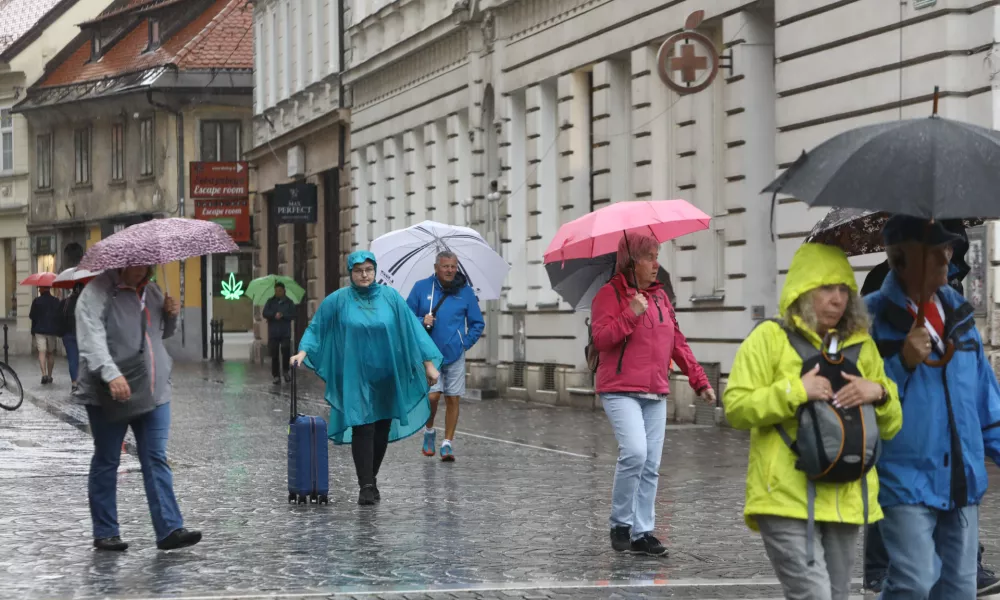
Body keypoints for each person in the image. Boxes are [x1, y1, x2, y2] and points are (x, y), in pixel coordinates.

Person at [724, 243, 902, 600]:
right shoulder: (769, 339)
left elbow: (891, 425)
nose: (837, 299)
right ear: (803, 290)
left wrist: (879, 393)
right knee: (815, 596)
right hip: (785, 497)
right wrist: (795, 391)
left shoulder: (861, 346)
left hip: (845, 495)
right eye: (826, 288)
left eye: (843, 290)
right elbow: (736, 406)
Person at [861, 219, 1000, 596]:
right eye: (936, 247)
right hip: (904, 478)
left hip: (962, 476)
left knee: (960, 586)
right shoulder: (870, 318)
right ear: (901, 257)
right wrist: (901, 363)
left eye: (949, 246)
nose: (947, 253)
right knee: (915, 580)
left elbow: (986, 399)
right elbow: (858, 398)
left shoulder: (961, 314)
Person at [590, 233, 715, 557]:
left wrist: (699, 380)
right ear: (631, 263)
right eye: (649, 257)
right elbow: (602, 339)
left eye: (657, 255)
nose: (655, 264)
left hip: (655, 390)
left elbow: (677, 342)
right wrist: (630, 312)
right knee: (634, 452)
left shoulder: (661, 299)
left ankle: (642, 532)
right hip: (619, 389)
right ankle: (620, 522)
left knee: (651, 464)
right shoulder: (608, 295)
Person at [290, 250, 442, 505]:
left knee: (381, 428)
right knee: (363, 425)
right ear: (350, 273)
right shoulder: (338, 300)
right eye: (359, 270)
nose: (364, 275)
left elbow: (412, 330)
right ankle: (367, 485)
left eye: (369, 270)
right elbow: (317, 327)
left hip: (386, 373)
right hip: (355, 375)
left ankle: (371, 476)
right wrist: (302, 352)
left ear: (375, 271)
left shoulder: (391, 298)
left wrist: (428, 364)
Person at [74, 266, 201, 552]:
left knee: (155, 457)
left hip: (154, 391)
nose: (140, 269)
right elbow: (90, 338)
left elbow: (163, 334)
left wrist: (171, 314)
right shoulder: (97, 292)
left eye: (145, 264)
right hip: (111, 390)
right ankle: (106, 531)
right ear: (120, 263)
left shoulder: (152, 291)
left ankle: (169, 528)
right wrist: (110, 373)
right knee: (108, 459)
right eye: (134, 263)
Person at [406, 250, 485, 462]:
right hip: (429, 354)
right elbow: (405, 317)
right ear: (436, 268)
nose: (450, 270)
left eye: (453, 266)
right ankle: (429, 431)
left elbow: (478, 323)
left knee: (452, 398)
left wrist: (464, 343)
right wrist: (423, 320)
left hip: (455, 354)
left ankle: (448, 443)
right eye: (445, 266)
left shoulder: (465, 291)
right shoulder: (421, 288)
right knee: (433, 396)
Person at [262, 282, 295, 385]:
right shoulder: (270, 302)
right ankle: (276, 375)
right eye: (276, 291)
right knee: (274, 354)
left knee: (286, 351)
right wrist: (273, 315)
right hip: (274, 332)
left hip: (285, 331)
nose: (277, 293)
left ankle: (286, 371)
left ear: (284, 291)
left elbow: (293, 314)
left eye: (280, 291)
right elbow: (264, 313)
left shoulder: (289, 302)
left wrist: (283, 315)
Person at [29, 285, 61, 385]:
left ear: (43, 289)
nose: (39, 289)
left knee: (41, 352)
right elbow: (59, 316)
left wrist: (33, 330)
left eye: (40, 288)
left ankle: (44, 375)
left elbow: (32, 316)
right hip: (51, 331)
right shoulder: (56, 301)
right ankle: (50, 376)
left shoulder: (36, 301)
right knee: (50, 353)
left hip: (39, 330)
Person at [60, 283, 83, 391]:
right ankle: (82, 381)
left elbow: (59, 316)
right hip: (82, 334)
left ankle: (74, 383)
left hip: (68, 334)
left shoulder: (66, 302)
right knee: (82, 359)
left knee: (72, 359)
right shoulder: (85, 301)